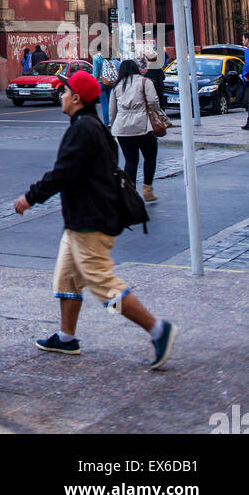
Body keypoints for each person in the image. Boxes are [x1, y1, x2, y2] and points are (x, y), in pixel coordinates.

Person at [13, 70, 176, 370]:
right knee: (67, 277)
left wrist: (30, 197)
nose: (61, 96)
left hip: (91, 219)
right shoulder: (91, 126)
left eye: (64, 92)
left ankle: (157, 329)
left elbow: (62, 173)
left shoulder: (83, 130)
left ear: (76, 98)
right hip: (81, 219)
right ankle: (66, 337)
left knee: (102, 283)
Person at [110, 58, 165, 203]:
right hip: (143, 126)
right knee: (150, 157)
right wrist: (157, 113)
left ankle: (130, 194)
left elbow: (112, 111)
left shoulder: (117, 86)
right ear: (136, 68)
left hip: (122, 128)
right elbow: (153, 102)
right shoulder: (145, 82)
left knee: (130, 161)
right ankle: (147, 190)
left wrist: (113, 126)